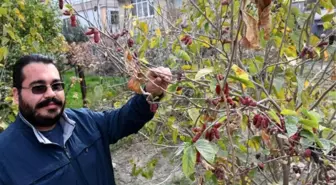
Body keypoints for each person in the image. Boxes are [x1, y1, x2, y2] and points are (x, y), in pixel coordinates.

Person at [0, 54, 172, 185]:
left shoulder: (85, 121)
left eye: (56, 86)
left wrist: (150, 92)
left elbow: (124, 119)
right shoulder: (5, 157)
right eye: (38, 87)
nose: (51, 94)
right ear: (16, 95)